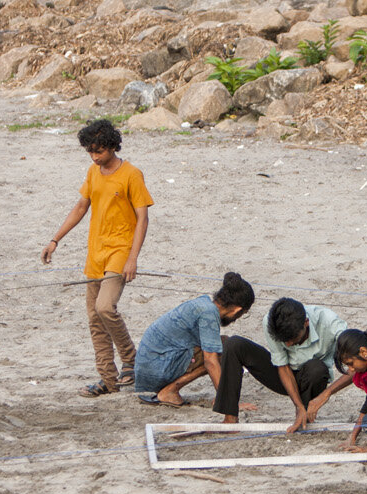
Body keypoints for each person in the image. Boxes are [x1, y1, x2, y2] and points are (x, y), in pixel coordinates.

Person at [42, 119, 154, 398]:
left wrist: (133, 258)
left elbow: (143, 218)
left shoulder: (131, 174)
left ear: (113, 146)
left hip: (120, 251)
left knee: (105, 307)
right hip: (96, 253)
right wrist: (55, 239)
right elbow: (81, 206)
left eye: (99, 151)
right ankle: (108, 379)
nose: (95, 157)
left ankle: (131, 358)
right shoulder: (93, 172)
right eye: (90, 152)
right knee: (94, 318)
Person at [209, 296, 345, 429]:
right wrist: (297, 404)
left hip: (312, 378)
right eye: (284, 340)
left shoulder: (329, 322)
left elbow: (358, 363)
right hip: (283, 375)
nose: (288, 344)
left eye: (293, 339)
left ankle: (304, 415)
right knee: (234, 344)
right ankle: (230, 418)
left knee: (317, 368)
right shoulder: (271, 322)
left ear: (306, 322)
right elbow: (282, 366)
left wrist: (325, 394)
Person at [131, 273, 255, 407]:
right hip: (155, 371)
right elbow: (211, 361)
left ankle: (217, 396)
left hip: (148, 368)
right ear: (237, 309)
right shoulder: (209, 314)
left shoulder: (204, 303)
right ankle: (170, 392)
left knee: (225, 342)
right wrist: (228, 403)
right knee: (225, 350)